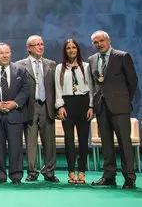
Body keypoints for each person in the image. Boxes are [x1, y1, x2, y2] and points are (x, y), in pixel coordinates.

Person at [88, 30, 138, 189]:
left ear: (109, 41)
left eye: (102, 41)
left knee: (124, 143)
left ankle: (129, 177)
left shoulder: (122, 56)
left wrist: (123, 99)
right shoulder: (92, 59)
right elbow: (96, 83)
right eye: (96, 42)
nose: (99, 44)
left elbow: (132, 81)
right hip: (101, 107)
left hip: (120, 107)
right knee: (106, 144)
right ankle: (109, 176)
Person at [0, 43, 32, 184]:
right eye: (1, 53)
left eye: (7, 52)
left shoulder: (20, 69)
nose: (5, 55)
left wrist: (14, 103)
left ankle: (16, 176)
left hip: (15, 113)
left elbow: (26, 89)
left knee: (16, 147)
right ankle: (0, 176)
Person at [15, 35, 59, 183]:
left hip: (47, 107)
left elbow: (55, 87)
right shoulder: (20, 65)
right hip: (29, 108)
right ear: (28, 48)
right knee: (31, 142)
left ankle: (49, 171)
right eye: (36, 45)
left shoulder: (51, 64)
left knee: (49, 143)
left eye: (42, 44)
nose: (40, 47)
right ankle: (32, 171)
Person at [54, 39, 93, 184]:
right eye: (68, 48)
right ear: (65, 51)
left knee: (83, 140)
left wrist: (91, 106)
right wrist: (60, 106)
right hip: (67, 104)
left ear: (78, 49)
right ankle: (71, 171)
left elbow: (91, 87)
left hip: (83, 103)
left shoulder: (86, 66)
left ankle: (82, 171)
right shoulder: (60, 68)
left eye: (74, 47)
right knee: (69, 140)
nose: (71, 50)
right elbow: (58, 88)